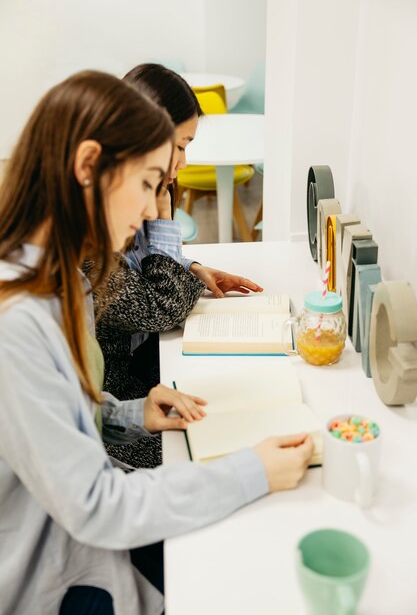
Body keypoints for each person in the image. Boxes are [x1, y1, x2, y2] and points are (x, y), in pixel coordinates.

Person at [0, 70, 313, 615]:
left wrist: (127, 413)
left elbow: (53, 414)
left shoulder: (65, 279)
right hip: (49, 564)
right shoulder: (18, 320)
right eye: (148, 183)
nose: (152, 210)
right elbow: (96, 506)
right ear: (88, 166)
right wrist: (252, 471)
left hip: (73, 524)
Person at [92, 63, 263, 468]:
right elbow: (160, 307)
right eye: (180, 145)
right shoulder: (92, 236)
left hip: (139, 378)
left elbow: (150, 273)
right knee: (212, 446)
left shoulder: (137, 192)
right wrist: (166, 217)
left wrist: (193, 267)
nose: (184, 162)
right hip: (120, 394)